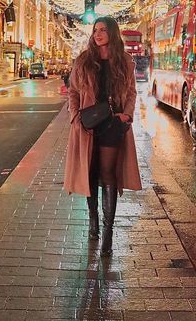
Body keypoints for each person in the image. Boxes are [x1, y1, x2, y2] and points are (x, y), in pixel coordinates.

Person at [64, 16, 142, 257]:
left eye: (103, 30)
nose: (97, 34)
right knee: (90, 172)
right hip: (88, 123)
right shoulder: (84, 60)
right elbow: (74, 91)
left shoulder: (125, 61)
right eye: (95, 30)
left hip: (112, 125)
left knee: (108, 175)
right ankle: (93, 221)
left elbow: (131, 92)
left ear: (112, 33)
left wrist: (126, 115)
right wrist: (75, 117)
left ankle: (108, 233)